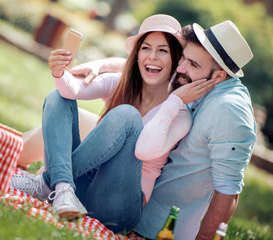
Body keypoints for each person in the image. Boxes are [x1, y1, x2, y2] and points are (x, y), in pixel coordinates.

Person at [10, 14, 216, 234]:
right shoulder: (121, 84)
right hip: (81, 190)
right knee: (57, 97)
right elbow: (73, 90)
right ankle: (62, 187)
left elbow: (144, 150)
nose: (152, 57)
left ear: (176, 59)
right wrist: (59, 71)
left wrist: (173, 101)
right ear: (137, 56)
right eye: (145, 48)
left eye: (162, 50)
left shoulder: (179, 114)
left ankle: (47, 183)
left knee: (128, 116)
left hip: (119, 209)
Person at [72, 20, 256, 239]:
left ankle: (53, 181)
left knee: (123, 118)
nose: (180, 68)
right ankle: (54, 181)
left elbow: (228, 192)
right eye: (183, 58)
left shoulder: (229, 111)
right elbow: (149, 66)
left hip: (157, 228)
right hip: (130, 198)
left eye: (192, 64)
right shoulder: (196, 80)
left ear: (218, 76)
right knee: (75, 110)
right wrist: (101, 66)